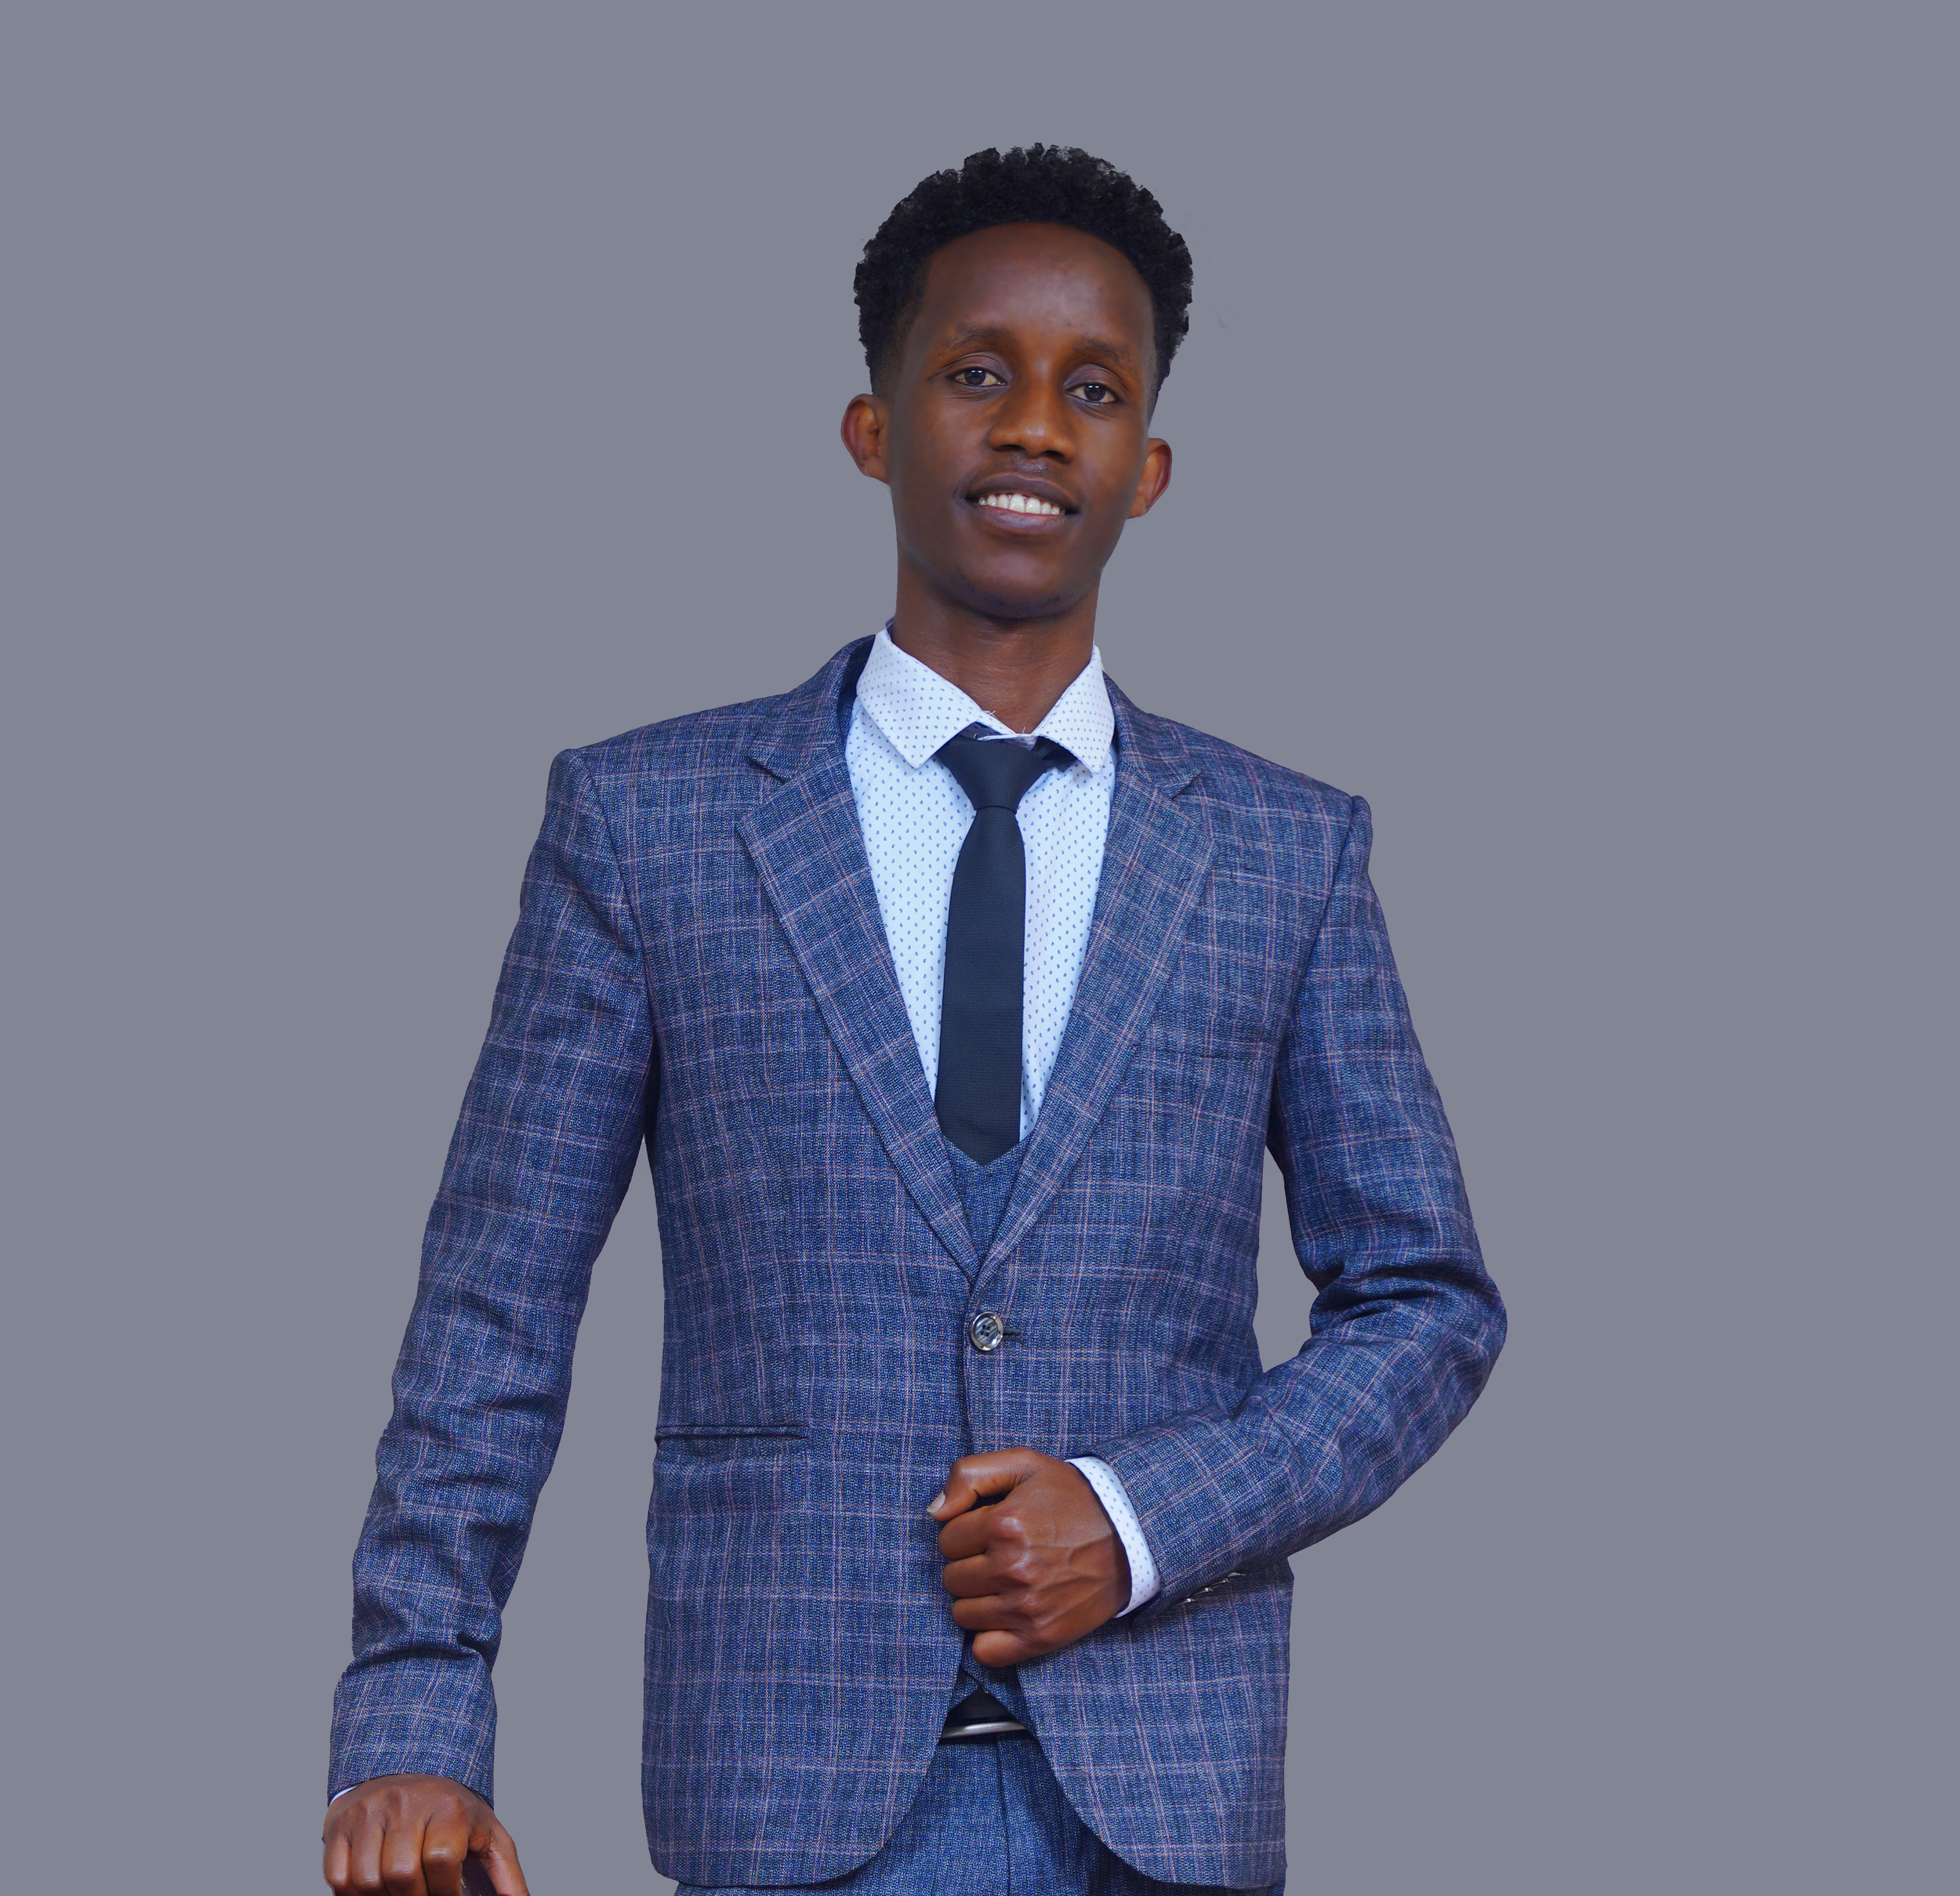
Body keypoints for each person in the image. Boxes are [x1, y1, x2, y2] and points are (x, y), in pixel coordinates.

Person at [321, 144, 1504, 1896]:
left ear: (1147, 467)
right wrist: (416, 1713)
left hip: (1165, 1794)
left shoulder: (1283, 853)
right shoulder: (647, 824)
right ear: (873, 425)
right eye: (976, 373)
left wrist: (1135, 1520)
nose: (1033, 423)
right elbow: (494, 1302)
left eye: (1089, 390)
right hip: (788, 1787)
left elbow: (1425, 1303)